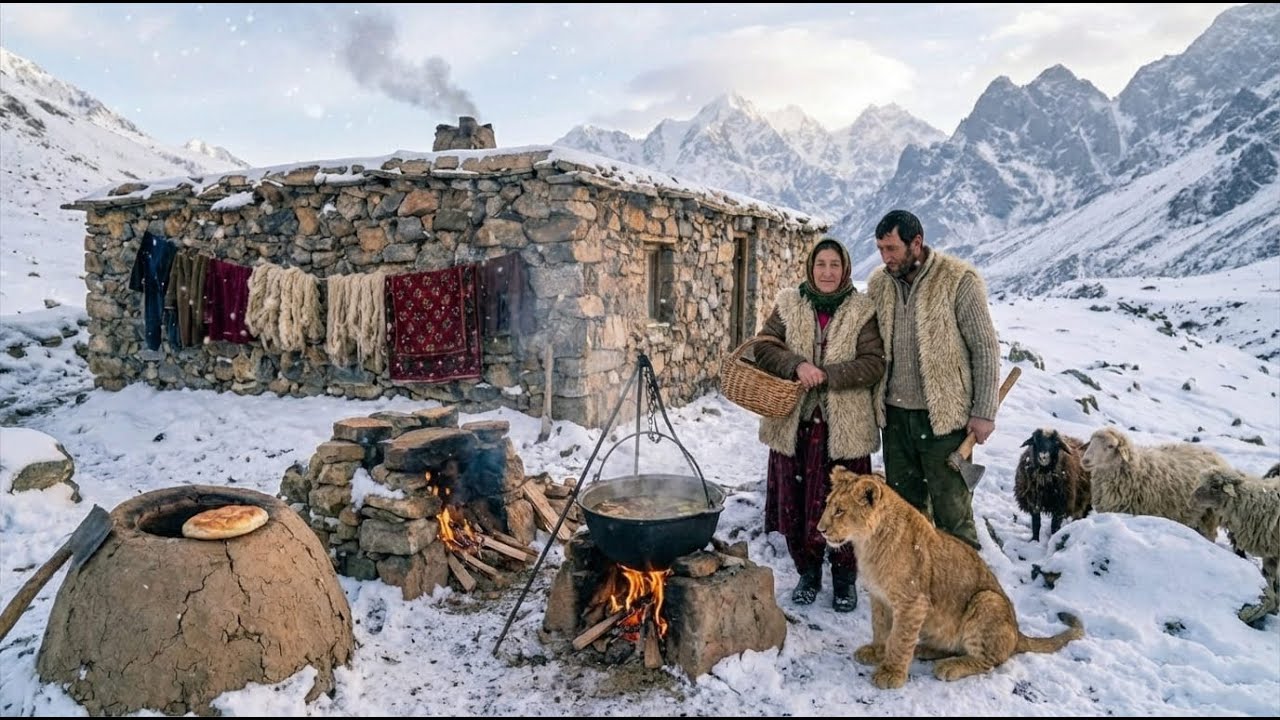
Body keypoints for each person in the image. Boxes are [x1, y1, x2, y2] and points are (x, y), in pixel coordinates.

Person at [752, 238, 885, 611]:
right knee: (798, 505)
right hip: (796, 424)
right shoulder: (789, 303)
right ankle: (808, 573)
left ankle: (845, 581)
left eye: (834, 265)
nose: (827, 272)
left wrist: (828, 374)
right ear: (811, 267)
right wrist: (797, 365)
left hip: (843, 429)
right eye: (821, 264)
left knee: (848, 506)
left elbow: (874, 362)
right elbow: (764, 345)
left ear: (845, 269)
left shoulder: (862, 311)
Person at [866, 209, 1001, 550]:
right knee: (905, 514)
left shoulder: (958, 280)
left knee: (952, 513)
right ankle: (915, 588)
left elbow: (984, 348)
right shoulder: (880, 284)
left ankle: (965, 591)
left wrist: (984, 411)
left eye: (892, 249)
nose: (885, 257)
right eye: (881, 249)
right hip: (895, 420)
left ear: (917, 243)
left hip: (945, 421)